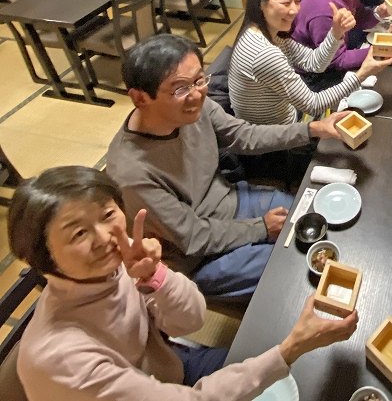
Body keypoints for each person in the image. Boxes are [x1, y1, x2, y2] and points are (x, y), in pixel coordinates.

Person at [9, 166, 358, 400]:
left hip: (172, 364)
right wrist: (289, 348)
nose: (105, 237)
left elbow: (190, 321)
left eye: (107, 214)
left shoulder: (108, 270)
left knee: (292, 378)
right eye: (79, 233)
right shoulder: (61, 358)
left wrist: (155, 276)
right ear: (42, 257)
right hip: (166, 386)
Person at [105, 34, 351, 298]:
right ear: (140, 98)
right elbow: (192, 237)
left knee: (317, 221)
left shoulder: (195, 105)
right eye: (180, 88)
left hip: (233, 201)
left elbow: (243, 136)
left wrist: (312, 129)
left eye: (200, 80)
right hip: (198, 256)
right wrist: (260, 228)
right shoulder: (132, 172)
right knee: (294, 265)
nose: (197, 93)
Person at [229, 0, 392, 126]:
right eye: (286, 3)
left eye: (297, 1)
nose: (294, 10)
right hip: (277, 135)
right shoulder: (264, 53)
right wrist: (362, 74)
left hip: (290, 111)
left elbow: (314, 63)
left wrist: (336, 32)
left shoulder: (270, 32)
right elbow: (312, 104)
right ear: (261, 3)